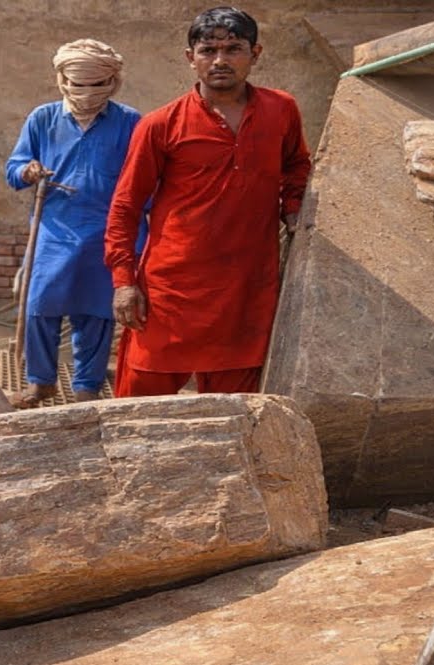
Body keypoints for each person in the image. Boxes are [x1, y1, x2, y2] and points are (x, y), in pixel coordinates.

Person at [104, 6, 311, 396]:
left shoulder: (281, 109)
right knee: (137, 407)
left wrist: (293, 209)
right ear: (190, 58)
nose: (220, 60)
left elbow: (297, 164)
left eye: (233, 49)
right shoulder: (161, 124)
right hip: (171, 291)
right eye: (208, 50)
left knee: (237, 412)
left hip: (247, 291)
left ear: (256, 54)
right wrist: (123, 282)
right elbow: (125, 206)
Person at [5, 38, 145, 408]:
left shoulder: (130, 122)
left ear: (113, 81)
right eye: (78, 84)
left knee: (97, 313)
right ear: (62, 79)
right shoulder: (43, 119)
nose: (86, 93)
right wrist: (28, 170)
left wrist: (141, 237)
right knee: (39, 306)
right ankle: (40, 382)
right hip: (54, 232)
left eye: (96, 85)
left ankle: (86, 387)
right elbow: (13, 169)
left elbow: (146, 181)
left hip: (106, 233)